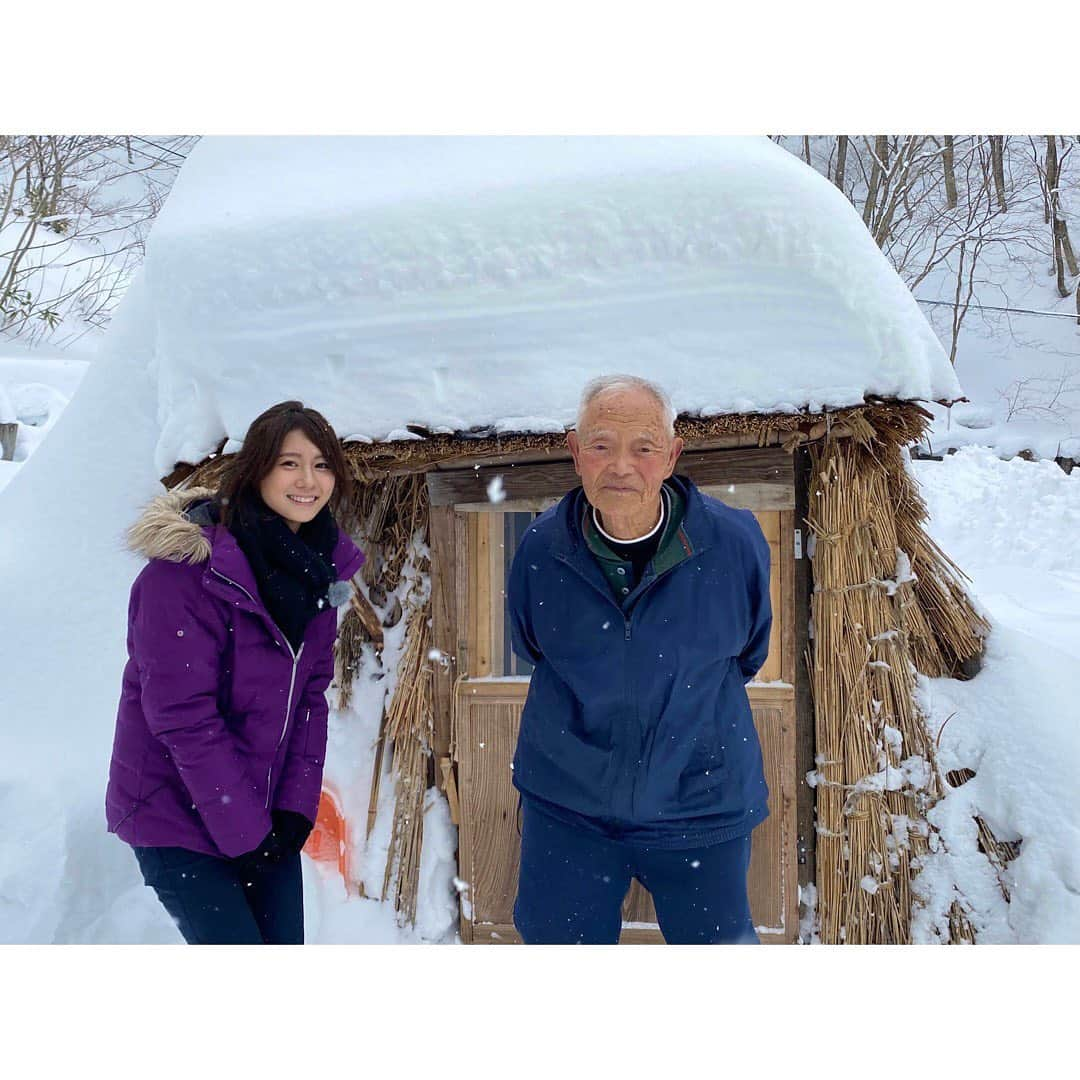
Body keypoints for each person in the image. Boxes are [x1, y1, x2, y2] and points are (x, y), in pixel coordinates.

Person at [507, 375, 772, 944]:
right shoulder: (540, 549)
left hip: (702, 800)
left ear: (672, 455)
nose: (621, 465)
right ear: (576, 453)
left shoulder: (733, 542)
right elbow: (532, 647)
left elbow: (748, 651)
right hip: (569, 806)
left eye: (643, 447)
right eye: (601, 445)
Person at [105, 401, 364, 944]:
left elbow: (310, 697)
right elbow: (183, 716)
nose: (308, 480)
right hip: (172, 812)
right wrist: (244, 828)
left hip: (259, 811)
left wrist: (294, 807)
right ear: (257, 470)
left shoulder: (319, 572)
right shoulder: (182, 576)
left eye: (322, 465)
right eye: (290, 463)